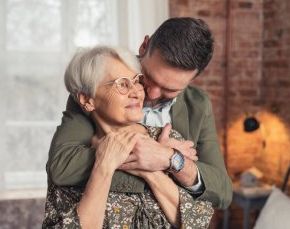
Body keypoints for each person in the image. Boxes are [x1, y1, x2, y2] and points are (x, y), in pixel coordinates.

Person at [47, 17, 232, 210]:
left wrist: (171, 159)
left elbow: (223, 192)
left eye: (170, 89)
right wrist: (150, 163)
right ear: (144, 46)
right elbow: (62, 166)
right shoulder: (97, 86)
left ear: (192, 80)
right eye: (148, 77)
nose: (151, 93)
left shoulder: (198, 104)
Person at [43, 46, 214, 228]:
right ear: (87, 100)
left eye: (137, 81)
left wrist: (151, 167)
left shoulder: (167, 140)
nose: (136, 92)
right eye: (122, 84)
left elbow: (198, 222)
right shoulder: (71, 160)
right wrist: (104, 167)